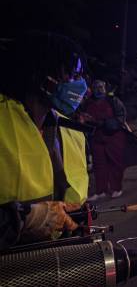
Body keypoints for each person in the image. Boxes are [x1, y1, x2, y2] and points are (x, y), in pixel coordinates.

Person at [0, 31, 89, 249]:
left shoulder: (72, 131)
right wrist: (26, 219)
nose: (80, 85)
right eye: (71, 74)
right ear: (42, 75)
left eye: (80, 75)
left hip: (57, 261)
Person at [81, 80, 128, 200]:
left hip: (113, 137)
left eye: (101, 87)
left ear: (105, 87)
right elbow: (83, 118)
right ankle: (100, 191)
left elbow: (120, 118)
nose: (98, 89)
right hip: (96, 138)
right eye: (95, 87)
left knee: (115, 163)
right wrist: (85, 120)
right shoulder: (88, 103)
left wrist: (103, 123)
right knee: (99, 165)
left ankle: (116, 188)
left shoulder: (113, 101)